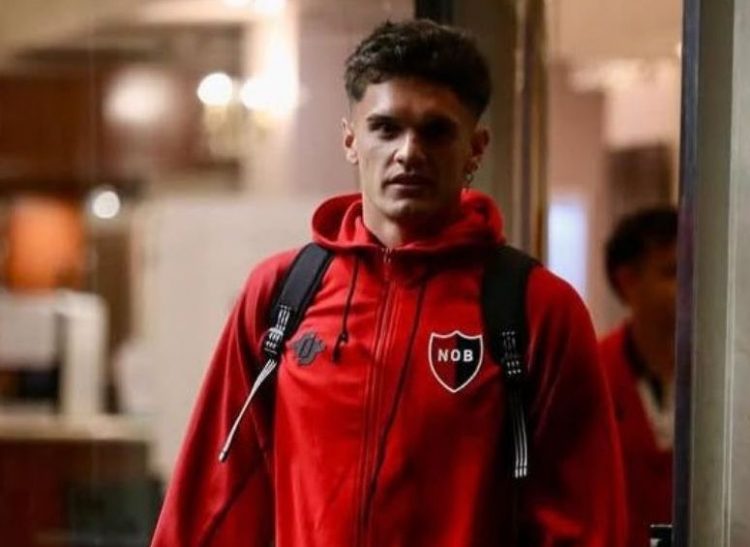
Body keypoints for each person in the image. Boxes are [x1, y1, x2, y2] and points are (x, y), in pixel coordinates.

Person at [152, 19, 626, 546]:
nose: (409, 152)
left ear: (475, 148)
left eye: (436, 131)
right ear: (350, 139)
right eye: (385, 128)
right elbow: (212, 497)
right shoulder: (282, 294)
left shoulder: (536, 308)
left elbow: (585, 521)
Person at [599, 206, 678, 547]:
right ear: (628, 281)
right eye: (672, 272)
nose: (692, 286)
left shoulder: (723, 381)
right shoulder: (593, 374)